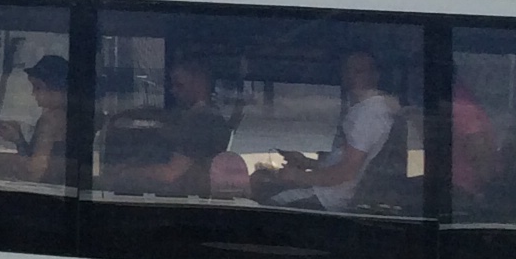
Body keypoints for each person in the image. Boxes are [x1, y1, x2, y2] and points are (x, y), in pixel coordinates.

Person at [255, 51, 400, 209]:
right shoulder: (366, 108)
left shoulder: (369, 113)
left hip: (326, 198)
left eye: (359, 71)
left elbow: (346, 172)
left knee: (264, 201)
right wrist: (306, 162)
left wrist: (297, 175)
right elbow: (344, 162)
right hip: (324, 190)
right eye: (347, 70)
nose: (350, 76)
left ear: (376, 75)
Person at [106, 60, 231, 197]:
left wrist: (125, 173)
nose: (173, 91)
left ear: (199, 84)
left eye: (180, 85)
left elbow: (170, 173)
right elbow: (163, 119)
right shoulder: (192, 116)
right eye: (173, 85)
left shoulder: (203, 120)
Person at [0, 54, 72, 183]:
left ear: (56, 88)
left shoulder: (51, 120)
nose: (33, 93)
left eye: (38, 87)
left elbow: (35, 174)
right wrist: (18, 138)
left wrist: (18, 142)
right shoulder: (69, 116)